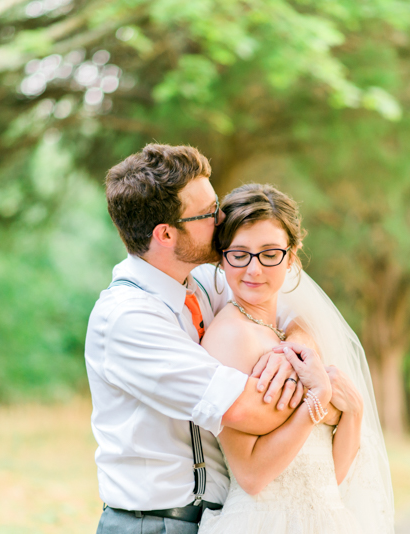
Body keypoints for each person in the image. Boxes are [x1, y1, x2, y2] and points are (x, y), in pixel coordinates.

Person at [85, 145, 333, 534]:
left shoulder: (201, 282)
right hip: (154, 525)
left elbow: (279, 306)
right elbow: (248, 408)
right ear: (165, 234)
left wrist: (297, 347)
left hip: (216, 520)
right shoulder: (128, 319)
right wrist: (323, 394)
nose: (222, 219)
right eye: (207, 213)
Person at [198, 184, 396, 534]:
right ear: (221, 256)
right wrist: (316, 403)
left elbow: (326, 479)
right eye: (239, 254)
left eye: (269, 253)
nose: (254, 270)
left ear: (291, 257)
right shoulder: (231, 337)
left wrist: (354, 412)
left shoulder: (293, 335)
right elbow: (252, 476)